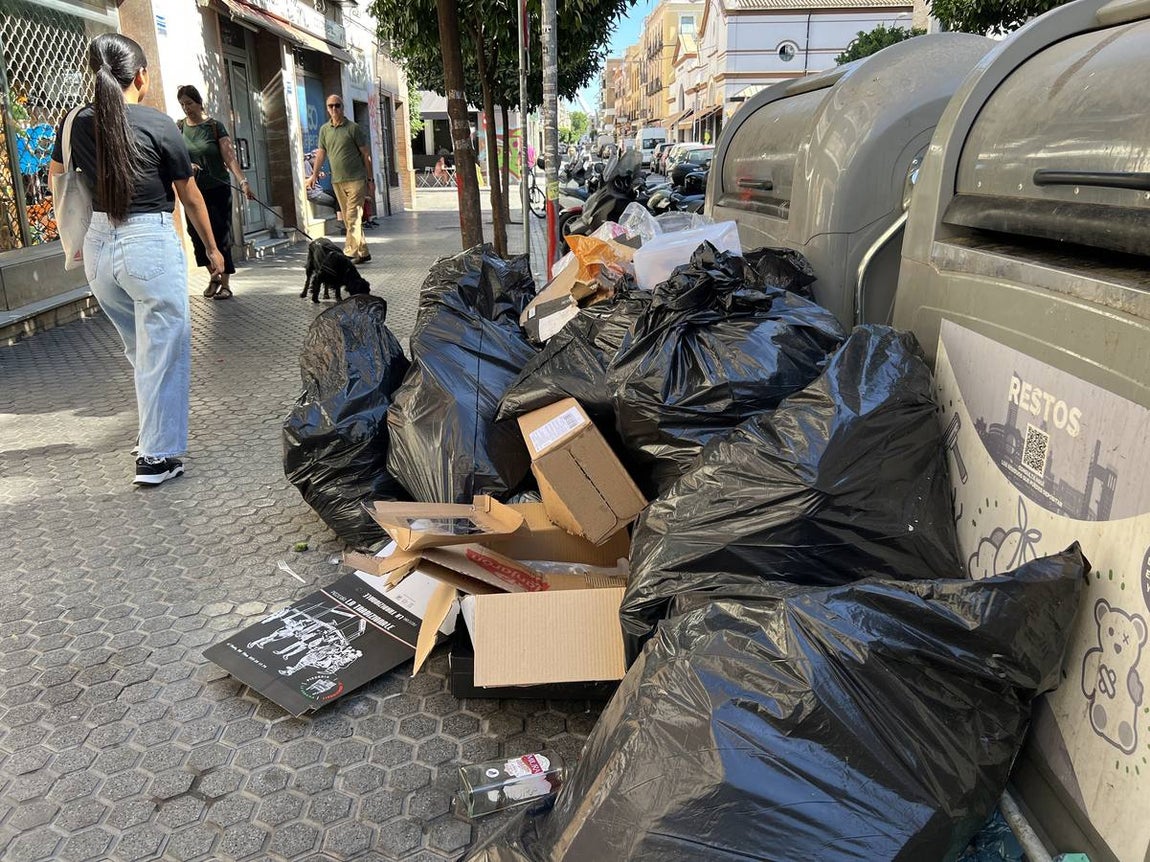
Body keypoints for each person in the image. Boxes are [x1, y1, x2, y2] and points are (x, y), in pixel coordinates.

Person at [49, 34, 223, 486]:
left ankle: (151, 434)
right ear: (141, 76)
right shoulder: (158, 123)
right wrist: (212, 247)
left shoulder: (73, 122)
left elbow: (58, 177)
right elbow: (189, 194)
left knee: (143, 348)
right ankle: (156, 457)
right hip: (147, 244)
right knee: (163, 350)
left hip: (98, 249)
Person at [175, 84, 254, 299]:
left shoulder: (214, 127)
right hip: (192, 192)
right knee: (197, 236)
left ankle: (226, 284)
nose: (186, 108)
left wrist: (243, 182)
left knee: (221, 236)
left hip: (218, 189)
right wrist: (186, 164)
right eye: (182, 104)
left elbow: (229, 158)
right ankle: (214, 276)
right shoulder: (179, 127)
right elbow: (174, 156)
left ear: (199, 103)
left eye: (189, 103)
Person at [305, 95, 374, 264]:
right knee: (351, 217)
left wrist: (370, 179)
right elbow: (321, 154)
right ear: (327, 109)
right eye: (331, 106)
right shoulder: (324, 130)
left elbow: (366, 154)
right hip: (337, 180)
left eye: (337, 106)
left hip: (356, 178)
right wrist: (314, 175)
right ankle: (363, 252)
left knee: (352, 216)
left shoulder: (353, 128)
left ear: (342, 107)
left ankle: (349, 253)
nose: (334, 109)